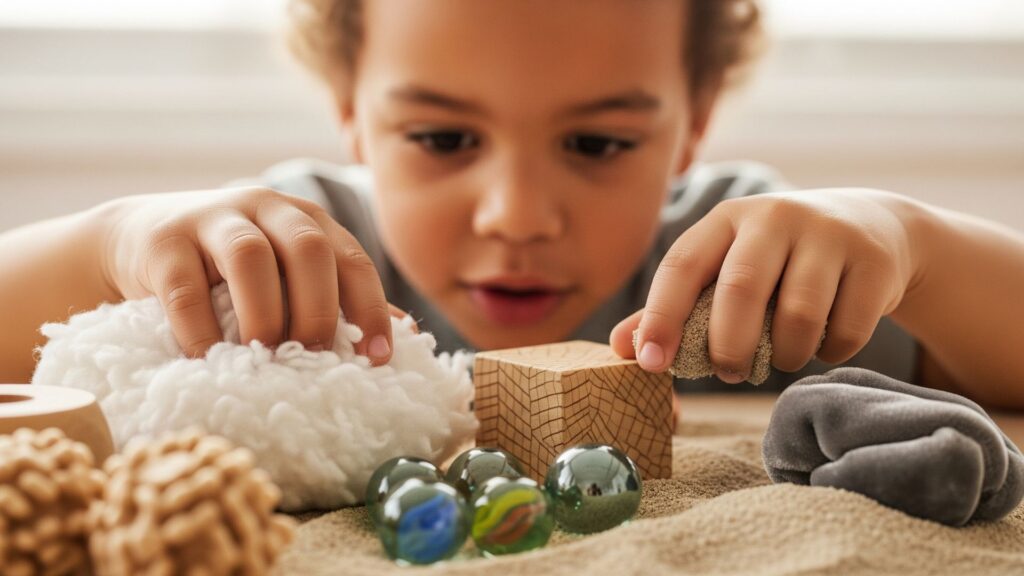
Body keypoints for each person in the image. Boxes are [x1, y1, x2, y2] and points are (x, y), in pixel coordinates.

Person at [2, 0, 1023, 409]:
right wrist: (109, 243)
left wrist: (915, 245)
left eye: (597, 144)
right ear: (352, 113)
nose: (518, 216)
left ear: (694, 118)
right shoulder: (287, 252)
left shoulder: (743, 266)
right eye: (443, 139)